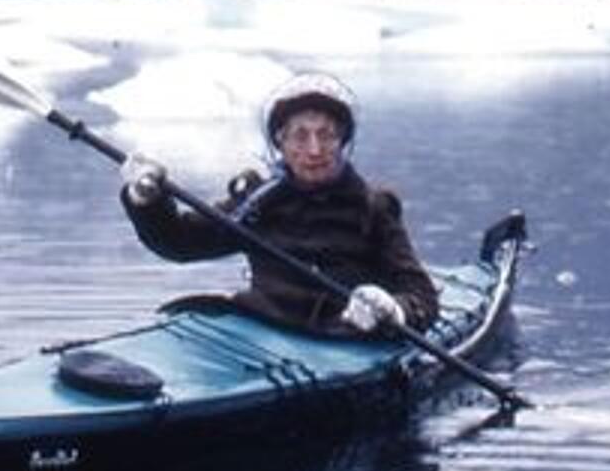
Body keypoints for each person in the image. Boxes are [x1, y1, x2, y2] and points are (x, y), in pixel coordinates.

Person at [118, 72, 439, 336]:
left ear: (342, 141)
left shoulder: (374, 208)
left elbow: (421, 297)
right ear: (280, 144)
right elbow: (181, 243)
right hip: (262, 331)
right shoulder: (257, 203)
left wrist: (392, 309)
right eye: (300, 136)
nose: (314, 150)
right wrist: (147, 199)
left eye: (326, 135)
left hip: (345, 338)